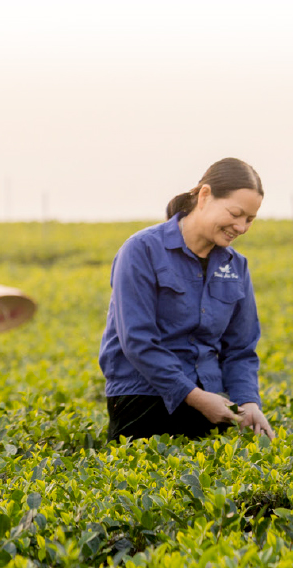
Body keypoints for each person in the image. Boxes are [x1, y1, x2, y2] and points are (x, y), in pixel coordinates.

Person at [101, 157, 273, 441]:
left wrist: (248, 401)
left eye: (250, 219)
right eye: (236, 213)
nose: (241, 227)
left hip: (211, 399)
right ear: (204, 195)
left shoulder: (236, 266)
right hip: (143, 396)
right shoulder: (141, 250)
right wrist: (194, 397)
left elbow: (241, 348)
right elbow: (137, 339)